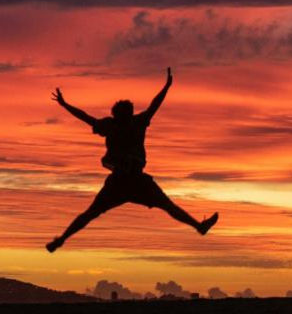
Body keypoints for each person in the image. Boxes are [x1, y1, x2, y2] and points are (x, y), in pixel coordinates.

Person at [46, 67, 219, 252]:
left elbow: (88, 118)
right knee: (166, 206)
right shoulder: (128, 123)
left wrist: (167, 87)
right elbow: (153, 105)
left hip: (129, 181)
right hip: (127, 181)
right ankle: (61, 239)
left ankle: (61, 239)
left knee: (92, 213)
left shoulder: (118, 124)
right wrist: (167, 87)